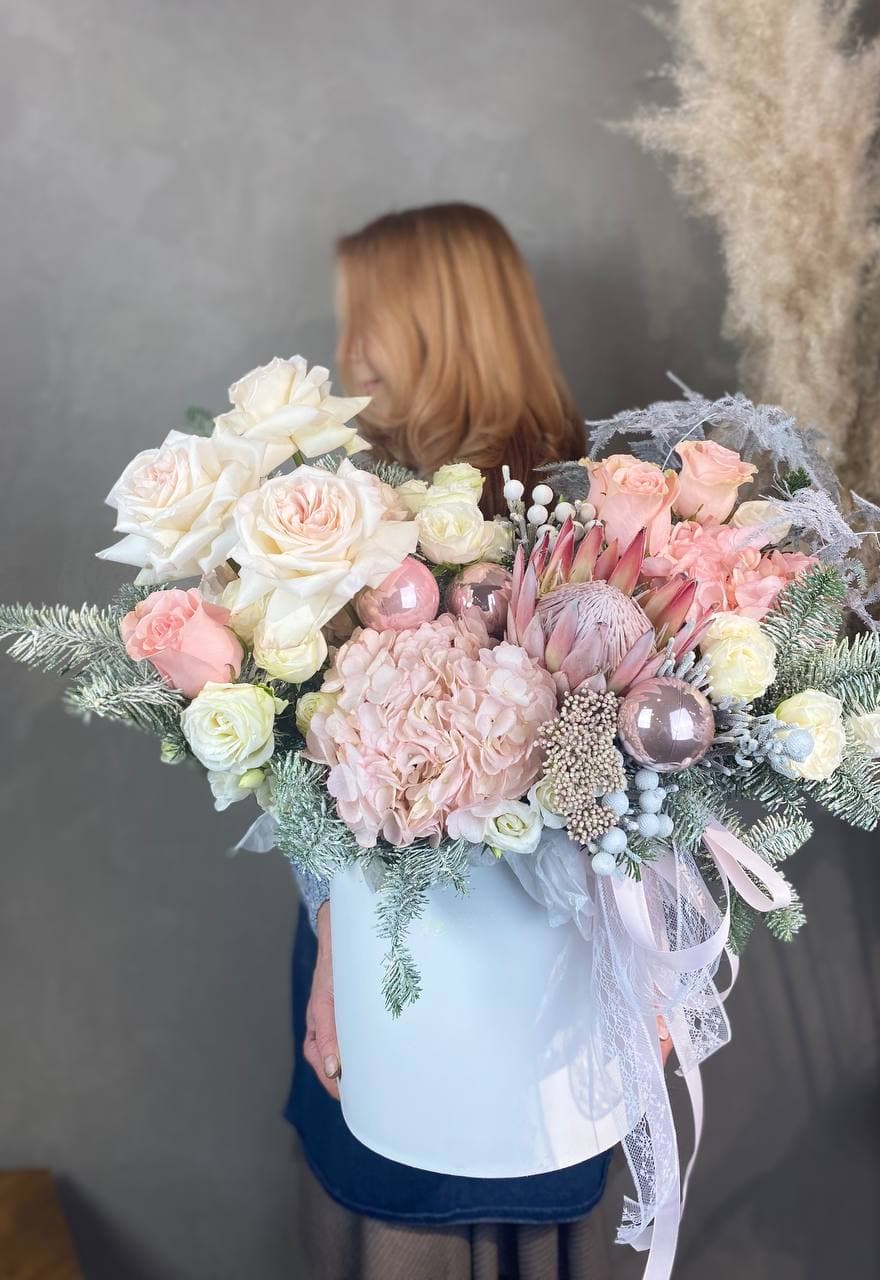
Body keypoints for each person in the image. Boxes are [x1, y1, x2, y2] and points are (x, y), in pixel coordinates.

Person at [285, 203, 634, 1280]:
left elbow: (642, 795)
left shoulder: (599, 527)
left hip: (502, 987)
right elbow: (303, 781)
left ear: (440, 330)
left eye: (367, 322)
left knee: (449, 1222)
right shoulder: (353, 521)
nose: (349, 354)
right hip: (387, 962)